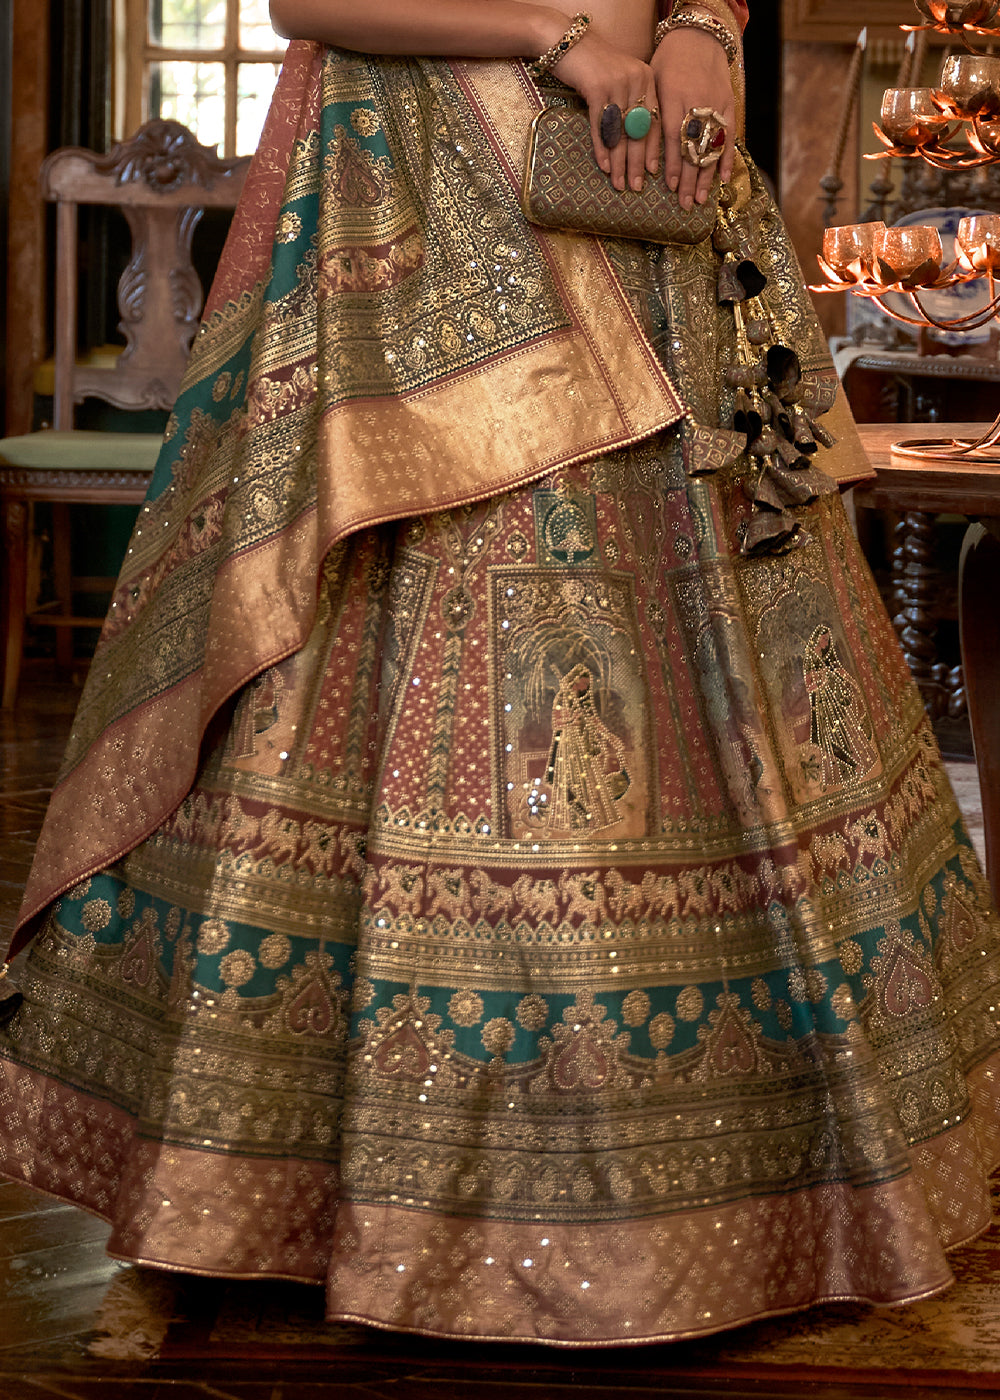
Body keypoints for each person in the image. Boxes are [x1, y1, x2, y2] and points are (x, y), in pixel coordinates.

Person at [2, 0, 1000, 1348]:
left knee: (723, 663)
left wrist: (701, 32)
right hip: (430, 216)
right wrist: (561, 39)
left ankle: (775, 1195)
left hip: (642, 190)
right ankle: (279, 1193)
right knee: (394, 636)